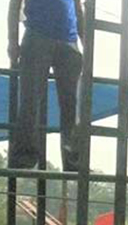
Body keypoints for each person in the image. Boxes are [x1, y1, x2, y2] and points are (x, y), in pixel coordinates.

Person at [7, 0, 84, 171]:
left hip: (68, 40)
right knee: (30, 99)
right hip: (37, 34)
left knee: (72, 105)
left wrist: (86, 43)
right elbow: (14, 5)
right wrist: (12, 41)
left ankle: (73, 161)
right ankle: (24, 157)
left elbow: (78, 7)